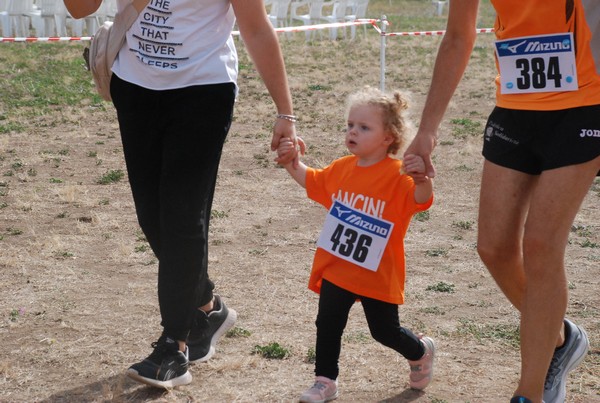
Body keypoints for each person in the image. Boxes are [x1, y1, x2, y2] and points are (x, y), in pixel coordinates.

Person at [63, 0, 302, 389]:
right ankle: (207, 307)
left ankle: (174, 346)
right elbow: (78, 9)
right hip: (135, 87)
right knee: (152, 218)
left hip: (203, 91)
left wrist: (285, 114)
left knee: (181, 217)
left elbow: (256, 28)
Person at [403, 1, 600, 402]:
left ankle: (530, 393)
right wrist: (427, 131)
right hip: (516, 105)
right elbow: (460, 35)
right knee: (494, 248)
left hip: (585, 104)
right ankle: (559, 337)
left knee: (542, 245)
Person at [276, 87, 435, 403]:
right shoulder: (342, 168)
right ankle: (325, 380)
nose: (353, 131)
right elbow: (312, 180)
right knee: (328, 322)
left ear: (388, 137)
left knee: (384, 331)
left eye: (364, 127)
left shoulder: (398, 175)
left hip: (377, 271)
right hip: (339, 267)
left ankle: (420, 350)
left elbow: (421, 200)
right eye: (350, 125)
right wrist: (292, 161)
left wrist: (422, 179)